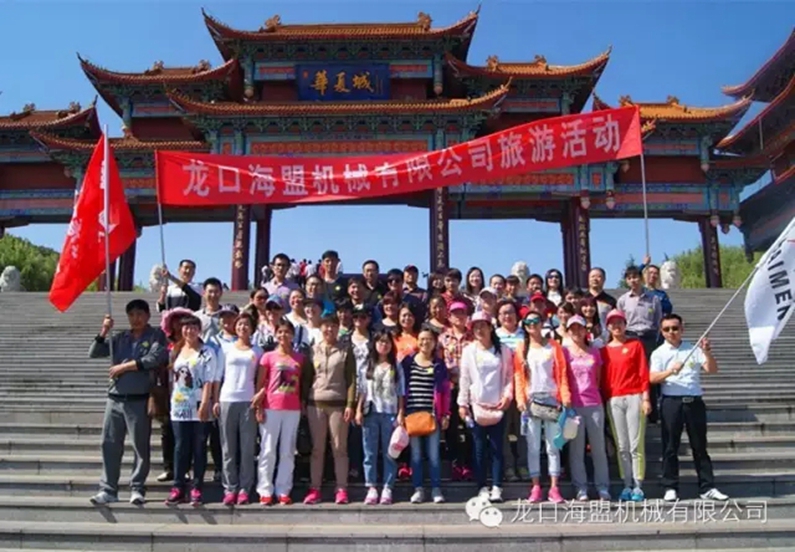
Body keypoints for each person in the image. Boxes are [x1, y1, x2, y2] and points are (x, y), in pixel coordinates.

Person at [88, 299, 168, 505]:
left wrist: (124, 367)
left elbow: (155, 358)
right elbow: (94, 352)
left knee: (140, 446)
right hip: (115, 398)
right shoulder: (121, 337)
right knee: (109, 444)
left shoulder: (155, 335)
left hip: (138, 399)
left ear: (148, 315)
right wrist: (104, 331)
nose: (136, 319)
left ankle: (137, 488)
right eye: (131, 315)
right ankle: (108, 489)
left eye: (140, 314)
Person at [650, 314, 728, 502]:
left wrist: (707, 352)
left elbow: (712, 369)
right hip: (671, 402)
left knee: (700, 446)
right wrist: (670, 371)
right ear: (661, 332)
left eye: (675, 328)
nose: (671, 332)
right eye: (667, 329)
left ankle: (707, 487)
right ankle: (670, 486)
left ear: (682, 329)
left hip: (694, 402)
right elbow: (652, 378)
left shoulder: (693, 349)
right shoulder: (659, 353)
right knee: (670, 446)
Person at [513, 310, 571, 504]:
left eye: (536, 321)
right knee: (533, 446)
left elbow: (562, 373)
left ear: (542, 322)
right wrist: (520, 399)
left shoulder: (554, 346)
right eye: (528, 322)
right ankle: (536, 486)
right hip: (531, 401)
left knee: (553, 446)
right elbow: (518, 376)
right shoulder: (522, 348)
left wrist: (565, 396)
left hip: (552, 399)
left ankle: (554, 487)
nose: (532, 325)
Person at [255, 318, 312, 505]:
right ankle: (265, 489)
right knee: (268, 450)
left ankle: (283, 489)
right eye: (280, 332)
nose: (283, 335)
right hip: (271, 407)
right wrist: (259, 407)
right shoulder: (268, 357)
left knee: (287, 450)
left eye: (287, 332)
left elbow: (303, 384)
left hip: (292, 408)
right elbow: (260, 384)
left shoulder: (300, 358)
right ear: (275, 334)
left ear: (293, 335)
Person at [458, 312, 514, 502]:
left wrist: (507, 396)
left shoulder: (503, 350)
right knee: (479, 448)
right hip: (477, 405)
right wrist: (462, 403)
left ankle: (497, 486)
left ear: (491, 327)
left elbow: (509, 376)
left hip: (498, 404)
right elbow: (464, 378)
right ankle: (482, 486)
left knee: (497, 447)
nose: (479, 330)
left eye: (483, 325)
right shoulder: (469, 351)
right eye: (476, 327)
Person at [304, 314, 357, 505]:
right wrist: (303, 402)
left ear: (338, 328)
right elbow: (307, 378)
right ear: (320, 328)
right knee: (317, 449)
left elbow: (351, 379)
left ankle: (341, 488)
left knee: (339, 448)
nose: (329, 330)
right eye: (326, 326)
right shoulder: (313, 350)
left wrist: (350, 404)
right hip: (315, 404)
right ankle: (315, 488)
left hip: (338, 405)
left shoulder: (345, 350)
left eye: (333, 326)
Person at [165, 314, 217, 506]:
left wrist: (205, 404)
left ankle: (197, 486)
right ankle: (178, 486)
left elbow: (209, 381)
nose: (190, 331)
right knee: (180, 447)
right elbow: (172, 379)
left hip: (198, 404)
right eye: (186, 327)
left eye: (194, 327)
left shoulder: (207, 351)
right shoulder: (176, 350)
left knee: (199, 446)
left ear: (199, 330)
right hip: (179, 405)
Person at [600, 309, 650, 502]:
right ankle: (627, 484)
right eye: (612, 323)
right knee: (622, 445)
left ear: (625, 324)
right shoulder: (604, 350)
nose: (616, 326)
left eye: (619, 322)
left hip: (634, 396)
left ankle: (638, 485)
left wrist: (646, 398)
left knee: (636, 443)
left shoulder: (635, 345)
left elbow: (643, 372)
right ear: (608, 327)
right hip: (614, 399)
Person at [214, 312, 262, 506]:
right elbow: (218, 375)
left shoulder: (258, 350)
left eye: (246, 325)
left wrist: (259, 398)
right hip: (227, 399)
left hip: (248, 401)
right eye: (240, 324)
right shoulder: (226, 349)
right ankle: (230, 488)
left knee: (247, 448)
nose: (243, 327)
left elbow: (261, 377)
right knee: (228, 447)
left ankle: (245, 488)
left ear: (252, 328)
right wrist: (215, 400)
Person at [356, 330, 406, 505]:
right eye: (380, 342)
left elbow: (401, 392)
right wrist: (358, 410)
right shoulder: (367, 364)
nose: (383, 345)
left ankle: (387, 486)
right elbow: (362, 390)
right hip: (371, 412)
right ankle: (371, 487)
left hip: (390, 412)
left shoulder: (396, 365)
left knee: (389, 452)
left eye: (387, 342)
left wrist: (401, 412)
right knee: (369, 451)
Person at [563, 315, 611, 501]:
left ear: (585, 330)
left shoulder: (594, 352)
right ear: (568, 331)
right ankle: (580, 487)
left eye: (580, 328)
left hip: (594, 404)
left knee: (598, 448)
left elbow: (597, 379)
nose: (576, 331)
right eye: (573, 328)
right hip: (573, 405)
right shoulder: (565, 352)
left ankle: (602, 487)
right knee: (576, 449)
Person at [402, 328, 450, 504]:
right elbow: (401, 388)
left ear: (434, 342)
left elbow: (445, 391)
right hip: (412, 414)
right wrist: (401, 411)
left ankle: (436, 489)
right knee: (415, 455)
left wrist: (445, 414)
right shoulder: (408, 362)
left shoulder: (439, 364)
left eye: (429, 339)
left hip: (432, 415)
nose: (425, 342)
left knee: (434, 455)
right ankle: (418, 489)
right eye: (422, 339)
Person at [618, 266, 663, 423]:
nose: (633, 281)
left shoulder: (653, 299)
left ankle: (653, 413)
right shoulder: (623, 300)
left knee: (649, 374)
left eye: (635, 277)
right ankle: (634, 410)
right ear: (626, 281)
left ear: (641, 279)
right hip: (630, 337)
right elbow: (620, 321)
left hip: (648, 338)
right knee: (632, 373)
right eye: (629, 278)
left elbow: (658, 320)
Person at [439, 301, 474, 482]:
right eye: (455, 313)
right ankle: (455, 463)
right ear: (449, 316)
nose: (459, 317)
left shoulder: (473, 337)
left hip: (470, 389)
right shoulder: (443, 338)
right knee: (451, 428)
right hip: (450, 388)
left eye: (462, 313)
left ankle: (468, 464)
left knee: (470, 427)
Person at [495, 299, 528, 482]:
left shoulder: (525, 334)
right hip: (502, 389)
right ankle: (508, 467)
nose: (507, 316)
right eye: (503, 313)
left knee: (524, 430)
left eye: (510, 312)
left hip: (524, 389)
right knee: (505, 430)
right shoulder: (495, 335)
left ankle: (523, 465)